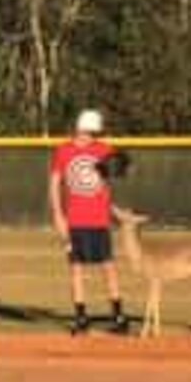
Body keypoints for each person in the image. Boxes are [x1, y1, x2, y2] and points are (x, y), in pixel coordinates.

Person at [50, 109, 128, 336]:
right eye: (89, 131)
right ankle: (81, 317)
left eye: (94, 133)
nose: (91, 136)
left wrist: (115, 210)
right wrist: (57, 214)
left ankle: (119, 316)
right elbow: (55, 183)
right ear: (80, 128)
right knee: (76, 269)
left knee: (108, 267)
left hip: (99, 218)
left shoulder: (104, 149)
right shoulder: (63, 150)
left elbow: (116, 175)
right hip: (75, 219)